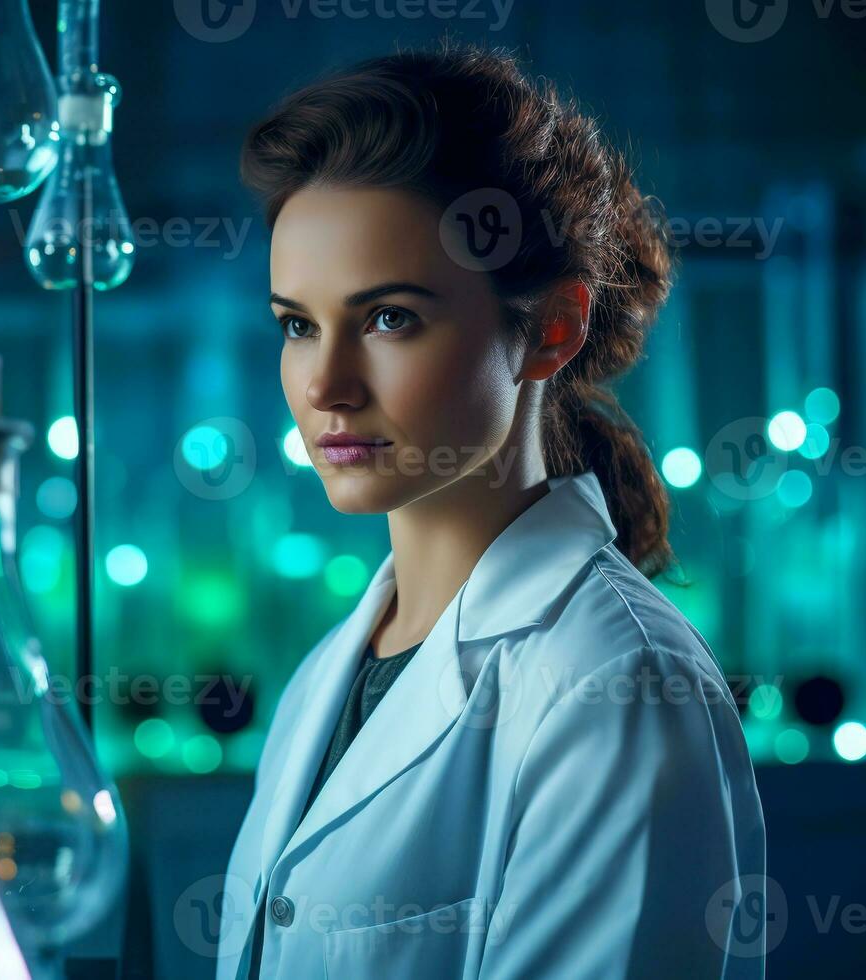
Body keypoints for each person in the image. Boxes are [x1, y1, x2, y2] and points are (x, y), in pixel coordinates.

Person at [217, 42, 767, 979]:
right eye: (297, 324)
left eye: (390, 318)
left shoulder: (615, 682)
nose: (326, 385)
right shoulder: (327, 672)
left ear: (550, 329)